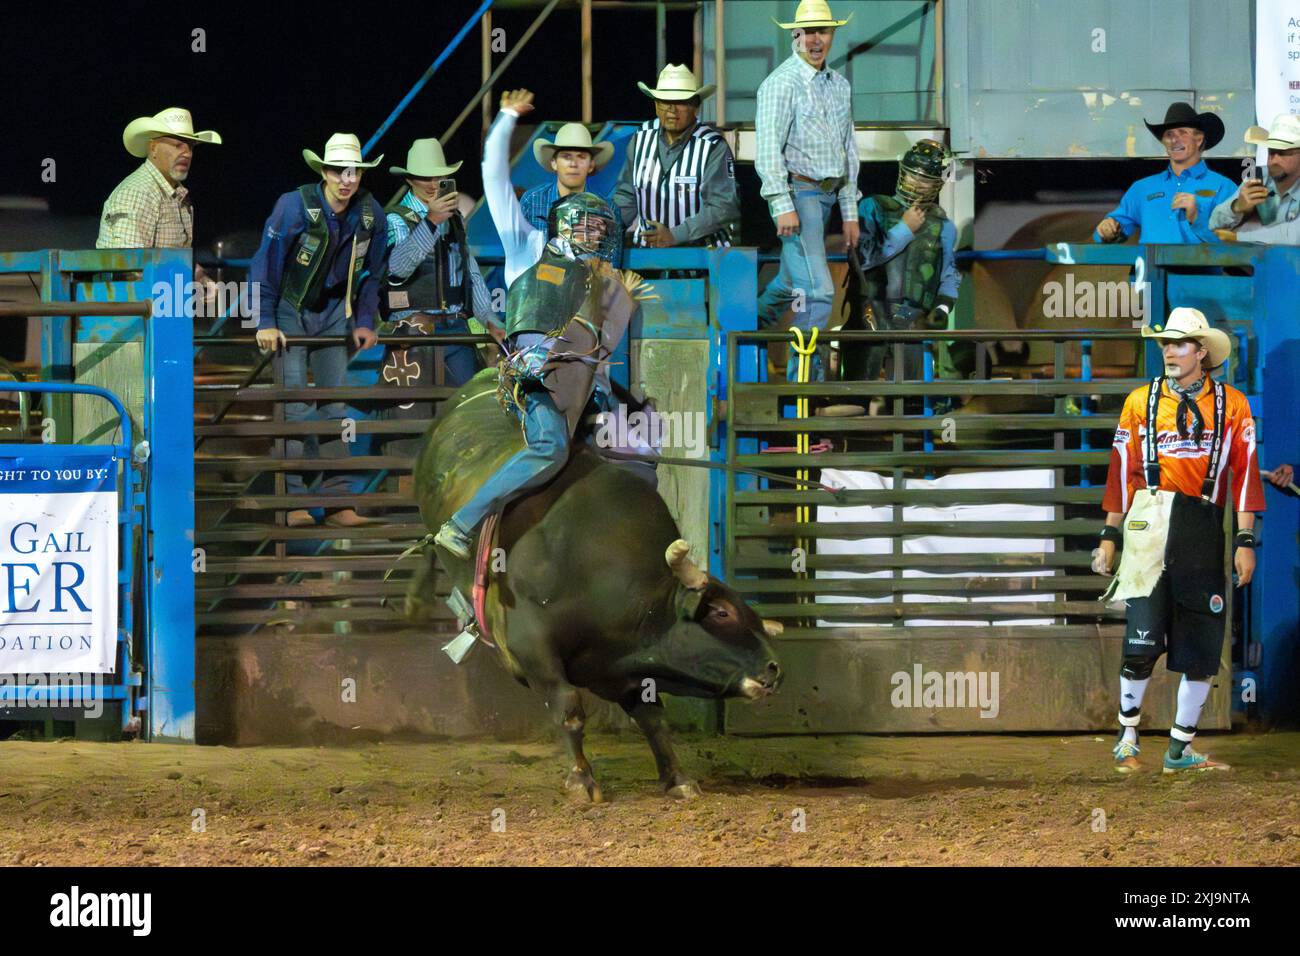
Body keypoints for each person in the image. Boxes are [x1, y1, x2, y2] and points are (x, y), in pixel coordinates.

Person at [1093, 308, 1265, 773]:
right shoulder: (1139, 402)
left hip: (1202, 527)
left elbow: (1245, 473)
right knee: (1142, 637)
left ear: (1202, 351)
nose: (1169, 350)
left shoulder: (1233, 405)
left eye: (1180, 343)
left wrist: (1245, 538)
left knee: (1201, 641)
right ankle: (1127, 737)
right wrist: (1110, 536)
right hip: (1149, 522)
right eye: (1166, 343)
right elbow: (1122, 473)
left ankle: (1178, 749)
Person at [433, 193, 633, 560]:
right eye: (592, 226)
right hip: (538, 384)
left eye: (602, 228)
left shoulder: (588, 280)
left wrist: (596, 393)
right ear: (569, 227)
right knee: (550, 448)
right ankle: (461, 524)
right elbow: (528, 351)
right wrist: (562, 381)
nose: (599, 234)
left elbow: (594, 353)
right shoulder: (545, 275)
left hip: (575, 387)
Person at [250, 133, 388, 528]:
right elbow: (264, 265)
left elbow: (374, 274)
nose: (346, 179)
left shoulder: (370, 214)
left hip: (333, 312)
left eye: (353, 172)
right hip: (291, 309)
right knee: (294, 406)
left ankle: (337, 501)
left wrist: (364, 320)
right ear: (324, 172)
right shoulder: (293, 208)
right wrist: (266, 320)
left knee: (335, 406)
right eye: (337, 171)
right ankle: (293, 501)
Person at [755, 0, 860, 381]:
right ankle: (803, 393)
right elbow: (767, 148)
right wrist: (782, 203)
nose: (817, 40)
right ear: (795, 35)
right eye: (810, 32)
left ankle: (743, 330)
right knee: (818, 293)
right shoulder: (781, 84)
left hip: (826, 195)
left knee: (790, 283)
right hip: (800, 194)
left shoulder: (839, 84)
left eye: (824, 32)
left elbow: (848, 147)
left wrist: (849, 210)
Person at [382, 137, 503, 397]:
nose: (432, 184)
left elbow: (469, 274)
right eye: (424, 177)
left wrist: (490, 320)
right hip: (414, 331)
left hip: (455, 328)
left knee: (468, 404)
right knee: (416, 410)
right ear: (409, 179)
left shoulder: (455, 219)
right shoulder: (396, 219)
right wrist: (432, 222)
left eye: (438, 177)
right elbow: (398, 268)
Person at [848, 139, 960, 384]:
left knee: (911, 400)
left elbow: (948, 275)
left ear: (937, 184)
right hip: (871, 312)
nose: (917, 183)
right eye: (912, 176)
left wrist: (942, 309)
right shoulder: (873, 206)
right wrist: (905, 229)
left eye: (926, 179)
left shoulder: (943, 226)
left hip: (913, 317)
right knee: (857, 394)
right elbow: (862, 258)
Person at [483, 89, 615, 287]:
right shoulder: (525, 242)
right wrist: (507, 117)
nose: (573, 164)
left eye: (581, 157)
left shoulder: (604, 211)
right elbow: (494, 179)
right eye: (566, 156)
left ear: (591, 164)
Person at [610, 63, 741, 249]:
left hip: (702, 256)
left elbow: (724, 207)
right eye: (664, 101)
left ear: (696, 105)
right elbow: (627, 196)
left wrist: (676, 234)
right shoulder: (641, 137)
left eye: (681, 102)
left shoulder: (712, 145)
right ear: (656, 105)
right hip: (648, 254)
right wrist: (607, 225)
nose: (672, 109)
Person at [1093, 102, 1236, 245]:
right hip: (1150, 268)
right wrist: (1105, 230)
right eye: (1169, 134)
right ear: (1164, 142)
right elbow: (1110, 232)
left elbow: (1235, 246)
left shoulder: (1223, 187)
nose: (1174, 140)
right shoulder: (1142, 188)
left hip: (1200, 268)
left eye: (1182, 132)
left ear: (1199, 139)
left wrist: (1196, 218)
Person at [97, 107, 221, 254]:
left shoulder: (177, 195)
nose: (187, 153)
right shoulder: (138, 192)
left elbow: (179, 260)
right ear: (153, 148)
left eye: (190, 146)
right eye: (177, 145)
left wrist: (201, 276)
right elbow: (130, 266)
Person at [1210, 113, 1300, 245]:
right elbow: (1214, 222)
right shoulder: (1258, 176)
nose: (1274, 159)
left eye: (1282, 153)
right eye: (1271, 151)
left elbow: (1294, 237)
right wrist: (1237, 207)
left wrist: (1237, 237)